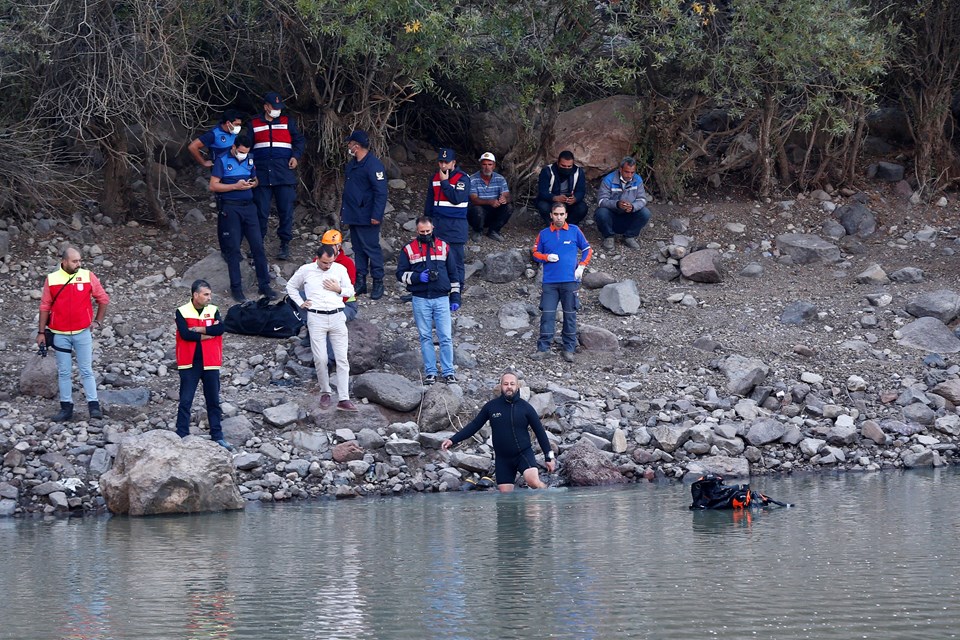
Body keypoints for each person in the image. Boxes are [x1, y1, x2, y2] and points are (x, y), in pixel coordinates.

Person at [441, 372, 556, 492]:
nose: (509, 387)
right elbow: (474, 425)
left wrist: (549, 457)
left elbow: (540, 432)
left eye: (512, 384)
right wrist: (453, 440)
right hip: (503, 458)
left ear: (517, 386)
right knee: (505, 498)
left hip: (523, 454)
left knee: (533, 482)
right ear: (501, 386)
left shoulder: (526, 408)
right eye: (506, 384)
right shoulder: (491, 407)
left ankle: (549, 499)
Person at [36, 246, 110, 422]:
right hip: (59, 334)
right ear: (64, 261)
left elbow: (103, 299)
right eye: (74, 261)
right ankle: (66, 408)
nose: (79, 264)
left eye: (80, 260)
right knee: (64, 372)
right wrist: (41, 332)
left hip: (83, 332)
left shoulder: (87, 276)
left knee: (86, 370)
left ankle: (94, 406)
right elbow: (45, 306)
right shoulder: (52, 279)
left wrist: (97, 321)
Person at [286, 245, 358, 412]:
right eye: (325, 262)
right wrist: (300, 303)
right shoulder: (306, 270)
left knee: (342, 359)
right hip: (316, 316)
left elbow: (351, 290)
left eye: (330, 262)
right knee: (321, 359)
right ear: (317, 258)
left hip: (337, 315)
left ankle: (344, 398)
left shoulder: (339, 268)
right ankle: (325, 391)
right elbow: (291, 287)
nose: (327, 266)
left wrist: (338, 289)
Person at [209, 134, 276, 302]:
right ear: (233, 147)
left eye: (246, 152)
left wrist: (253, 183)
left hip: (249, 207)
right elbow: (213, 185)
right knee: (233, 249)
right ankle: (236, 288)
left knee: (257, 246)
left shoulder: (250, 159)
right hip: (231, 207)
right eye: (240, 151)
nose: (243, 154)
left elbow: (256, 179)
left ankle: (264, 285)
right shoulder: (222, 160)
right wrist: (234, 186)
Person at [396, 216, 461, 385]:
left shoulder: (444, 246)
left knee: (445, 337)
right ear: (416, 231)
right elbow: (400, 274)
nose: (425, 234)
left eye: (428, 231)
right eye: (422, 232)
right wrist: (418, 277)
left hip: (441, 298)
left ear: (433, 228)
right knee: (425, 336)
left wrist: (455, 296)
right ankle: (430, 372)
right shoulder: (408, 249)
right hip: (420, 298)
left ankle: (448, 372)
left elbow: (454, 274)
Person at [175, 279, 232, 450]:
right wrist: (207, 334)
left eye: (210, 294)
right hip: (189, 362)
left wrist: (199, 330)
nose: (209, 297)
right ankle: (181, 434)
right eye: (206, 294)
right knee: (185, 400)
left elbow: (220, 329)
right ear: (195, 295)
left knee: (213, 400)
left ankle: (218, 436)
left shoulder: (213, 310)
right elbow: (185, 334)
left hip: (211, 361)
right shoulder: (182, 311)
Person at [531, 203, 592, 362]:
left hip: (570, 281)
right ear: (551, 215)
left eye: (561, 214)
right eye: (556, 214)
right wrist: (546, 257)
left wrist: (582, 266)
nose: (559, 217)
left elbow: (587, 249)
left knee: (570, 315)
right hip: (550, 282)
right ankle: (543, 348)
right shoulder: (544, 234)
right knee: (547, 315)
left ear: (566, 215)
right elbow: (535, 253)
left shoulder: (574, 230)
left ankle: (569, 348)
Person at [250, 91, 306, 260]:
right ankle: (257, 246)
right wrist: (252, 173)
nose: (277, 111)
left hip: (284, 174)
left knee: (286, 211)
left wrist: (295, 156)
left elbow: (299, 141)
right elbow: (248, 150)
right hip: (262, 175)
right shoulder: (254, 124)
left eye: (279, 108)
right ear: (266, 107)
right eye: (274, 108)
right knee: (260, 212)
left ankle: (284, 245)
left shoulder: (287, 122)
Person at [340, 129, 388, 299]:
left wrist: (376, 215)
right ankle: (361, 282)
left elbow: (381, 192)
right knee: (358, 249)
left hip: (368, 216)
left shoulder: (374, 165)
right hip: (354, 214)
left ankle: (378, 282)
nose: (348, 146)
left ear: (357, 146)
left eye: (350, 143)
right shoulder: (352, 164)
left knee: (371, 248)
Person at [423, 147, 470, 291]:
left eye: (446, 162)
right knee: (435, 258)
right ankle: (438, 287)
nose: (443, 165)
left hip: (455, 225)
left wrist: (445, 183)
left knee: (455, 260)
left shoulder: (462, 178)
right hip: (438, 224)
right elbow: (429, 203)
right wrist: (426, 222)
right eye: (441, 162)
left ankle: (456, 290)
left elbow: (456, 198)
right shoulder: (434, 178)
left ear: (453, 162)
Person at [594, 156, 652, 251]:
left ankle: (629, 236)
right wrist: (617, 204)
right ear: (620, 169)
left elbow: (642, 199)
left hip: (628, 214)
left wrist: (633, 207)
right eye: (627, 172)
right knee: (601, 212)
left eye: (632, 172)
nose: (629, 175)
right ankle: (609, 236)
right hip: (612, 215)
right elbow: (601, 201)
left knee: (645, 213)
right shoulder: (608, 180)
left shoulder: (637, 180)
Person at [468, 151, 512, 242]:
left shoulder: (500, 179)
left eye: (489, 164)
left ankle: (494, 231)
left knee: (509, 207)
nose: (487, 167)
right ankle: (477, 231)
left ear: (494, 166)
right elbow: (474, 200)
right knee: (477, 209)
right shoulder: (472, 179)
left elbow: (508, 196)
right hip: (478, 212)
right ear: (480, 165)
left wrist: (504, 199)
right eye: (484, 164)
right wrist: (490, 201)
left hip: (494, 210)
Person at [535, 150, 587, 226]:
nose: (566, 168)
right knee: (543, 206)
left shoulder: (578, 172)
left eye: (569, 166)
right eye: (563, 166)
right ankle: (552, 225)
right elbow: (542, 192)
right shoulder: (547, 171)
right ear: (558, 163)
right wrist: (555, 198)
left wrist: (575, 199)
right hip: (551, 202)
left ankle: (568, 226)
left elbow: (581, 191)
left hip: (569, 203)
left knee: (582, 208)